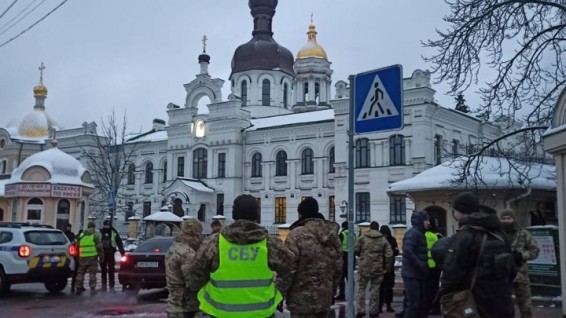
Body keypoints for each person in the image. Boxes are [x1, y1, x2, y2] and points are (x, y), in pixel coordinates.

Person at [188, 194, 296, 318]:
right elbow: (290, 267)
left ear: (234, 214)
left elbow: (193, 278)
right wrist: (278, 291)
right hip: (261, 313)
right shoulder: (269, 243)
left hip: (220, 313)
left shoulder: (215, 243)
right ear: (257, 214)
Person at [438, 191, 515, 318]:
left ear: (460, 212)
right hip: (502, 301)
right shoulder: (500, 234)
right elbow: (511, 268)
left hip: (475, 303)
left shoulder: (465, 236)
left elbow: (453, 273)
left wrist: (442, 294)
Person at [285, 197, 342, 318]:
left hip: (300, 302)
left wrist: (281, 293)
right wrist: (331, 291)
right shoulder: (333, 237)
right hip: (324, 299)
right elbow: (338, 268)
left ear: (301, 214)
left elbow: (287, 269)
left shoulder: (296, 235)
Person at [500, 209, 540, 318]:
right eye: (503, 219)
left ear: (513, 219)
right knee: (502, 305)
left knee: (525, 305)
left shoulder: (523, 233)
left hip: (520, 274)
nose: (506, 221)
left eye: (509, 218)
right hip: (502, 275)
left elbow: (535, 250)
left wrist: (521, 255)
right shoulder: (497, 234)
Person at [165, 218, 203, 318]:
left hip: (173, 304)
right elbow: (193, 282)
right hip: (186, 307)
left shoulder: (174, 248)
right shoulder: (188, 253)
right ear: (196, 234)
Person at [355, 221, 393, 318]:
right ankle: (373, 311)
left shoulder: (363, 237)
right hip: (377, 268)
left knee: (361, 289)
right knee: (375, 289)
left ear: (370, 227)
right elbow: (389, 255)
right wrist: (387, 268)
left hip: (364, 266)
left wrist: (362, 256)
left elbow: (356, 249)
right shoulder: (383, 240)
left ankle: (360, 310)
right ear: (378, 228)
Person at [396, 210, 429, 318]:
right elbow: (408, 251)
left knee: (420, 303)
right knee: (414, 304)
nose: (429, 223)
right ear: (420, 221)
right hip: (412, 274)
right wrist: (421, 265)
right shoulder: (413, 233)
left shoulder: (419, 233)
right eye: (426, 220)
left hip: (417, 274)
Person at [75, 221, 103, 295]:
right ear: (93, 227)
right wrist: (101, 257)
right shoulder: (95, 235)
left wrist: (78, 256)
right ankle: (92, 288)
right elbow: (99, 247)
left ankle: (78, 287)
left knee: (80, 273)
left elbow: (77, 247)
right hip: (92, 257)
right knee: (92, 274)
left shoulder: (81, 235)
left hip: (82, 257)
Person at [99, 219, 125, 292]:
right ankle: (103, 287)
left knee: (111, 271)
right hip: (103, 253)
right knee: (103, 271)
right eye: (105, 225)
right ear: (103, 225)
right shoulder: (101, 232)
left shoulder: (113, 232)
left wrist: (122, 253)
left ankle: (112, 288)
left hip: (110, 253)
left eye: (108, 225)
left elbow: (119, 242)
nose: (107, 226)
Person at [379, 225, 399, 314]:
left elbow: (396, 251)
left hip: (390, 267)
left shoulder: (393, 240)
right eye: (383, 234)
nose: (385, 236)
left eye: (386, 234)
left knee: (389, 287)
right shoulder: (378, 240)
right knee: (380, 287)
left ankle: (388, 305)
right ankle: (379, 305)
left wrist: (391, 252)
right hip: (380, 266)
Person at [424, 220, 443, 315]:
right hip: (437, 265)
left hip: (428, 265)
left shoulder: (427, 235)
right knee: (435, 287)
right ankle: (435, 307)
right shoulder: (439, 235)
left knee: (429, 288)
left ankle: (431, 306)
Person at [336, 221, 356, 301]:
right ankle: (351, 294)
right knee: (350, 277)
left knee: (341, 277)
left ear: (343, 227)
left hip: (343, 256)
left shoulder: (342, 234)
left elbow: (337, 245)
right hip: (352, 256)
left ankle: (342, 294)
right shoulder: (354, 234)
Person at [63, 223, 78, 292]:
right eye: (68, 227)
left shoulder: (72, 234)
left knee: (74, 269)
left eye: (70, 227)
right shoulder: (63, 234)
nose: (69, 228)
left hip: (72, 253)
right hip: (65, 253)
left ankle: (73, 285)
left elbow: (75, 242)